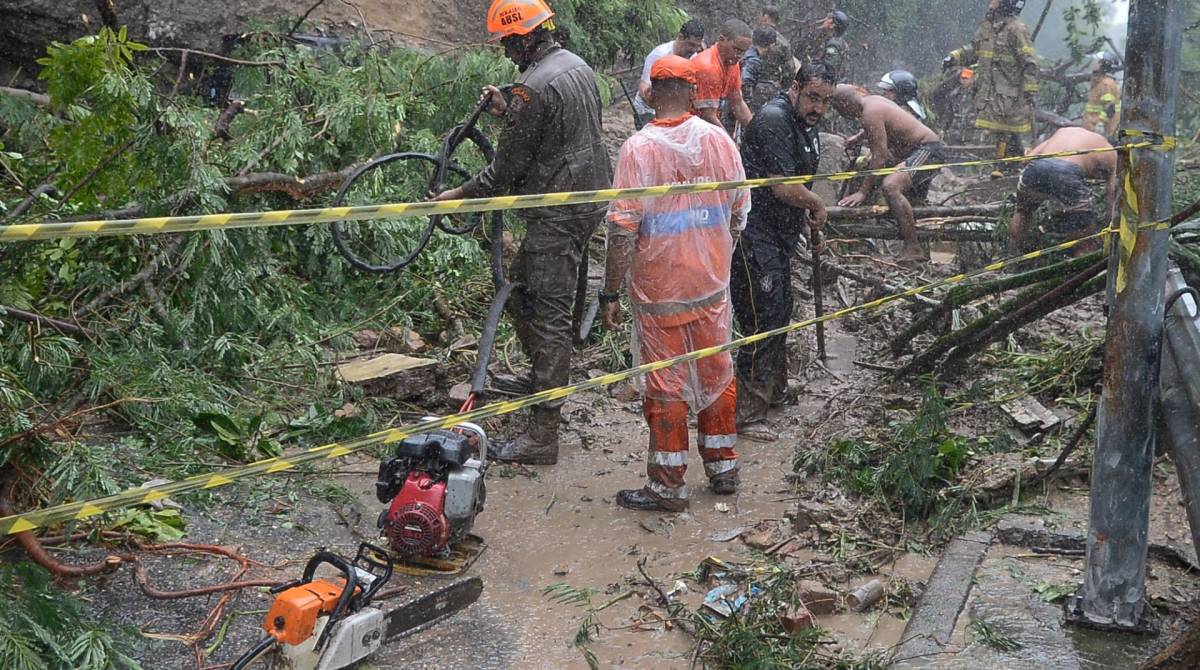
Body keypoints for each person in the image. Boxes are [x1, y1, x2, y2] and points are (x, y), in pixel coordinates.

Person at [432, 0, 612, 464]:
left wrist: (455, 194)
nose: (506, 50)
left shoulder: (532, 87)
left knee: (549, 316)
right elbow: (551, 129)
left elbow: (504, 173)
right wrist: (507, 107)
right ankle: (541, 382)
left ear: (525, 37)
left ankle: (543, 435)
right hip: (585, 198)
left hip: (557, 210)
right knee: (518, 292)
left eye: (509, 42)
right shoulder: (575, 66)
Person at [602, 55, 751, 512]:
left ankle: (668, 486)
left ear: (649, 93)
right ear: (692, 92)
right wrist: (711, 254)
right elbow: (739, 212)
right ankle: (723, 468)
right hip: (710, 286)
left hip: (660, 293)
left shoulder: (638, 150)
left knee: (666, 387)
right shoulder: (719, 140)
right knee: (716, 373)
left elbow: (622, 230)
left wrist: (609, 292)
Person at [731, 63, 835, 428]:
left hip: (779, 235)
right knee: (763, 317)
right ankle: (746, 409)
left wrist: (805, 209)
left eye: (825, 102)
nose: (818, 108)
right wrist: (816, 204)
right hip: (754, 234)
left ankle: (772, 390)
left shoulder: (806, 126)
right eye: (812, 97)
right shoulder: (774, 120)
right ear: (795, 88)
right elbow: (784, 187)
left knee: (781, 309)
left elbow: (799, 183)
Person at [833, 85, 946, 262]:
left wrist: (863, 192)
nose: (842, 114)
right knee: (912, 199)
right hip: (915, 151)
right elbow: (883, 123)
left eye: (838, 109)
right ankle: (859, 240)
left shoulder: (869, 113)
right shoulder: (872, 102)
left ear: (845, 104)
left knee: (891, 186)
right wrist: (858, 138)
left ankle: (913, 246)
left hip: (926, 149)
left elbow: (880, 156)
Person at [943, 0, 1039, 174]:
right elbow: (974, 49)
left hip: (1011, 96)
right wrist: (954, 57)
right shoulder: (988, 28)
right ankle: (1004, 168)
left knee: (1008, 131)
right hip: (989, 94)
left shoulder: (1017, 30)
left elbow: (1029, 63)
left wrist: (1028, 92)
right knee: (1000, 132)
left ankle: (1009, 168)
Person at [1009, 127, 1117, 255]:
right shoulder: (1111, 153)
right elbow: (1112, 193)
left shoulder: (1063, 132)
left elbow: (1026, 160)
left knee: (1023, 211)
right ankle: (1083, 262)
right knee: (1081, 230)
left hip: (1036, 168)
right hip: (1067, 172)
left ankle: (1012, 257)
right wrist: (1109, 227)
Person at [633, 18, 707, 128]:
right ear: (680, 37)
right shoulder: (659, 55)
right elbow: (644, 87)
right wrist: (663, 106)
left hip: (676, 110)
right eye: (691, 45)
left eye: (697, 46)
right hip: (648, 109)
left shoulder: (693, 57)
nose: (693, 50)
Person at [692, 19, 753, 131]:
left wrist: (755, 132)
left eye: (743, 52)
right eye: (736, 49)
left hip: (705, 125)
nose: (739, 55)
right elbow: (707, 116)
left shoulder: (732, 63)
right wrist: (728, 143)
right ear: (721, 40)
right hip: (691, 126)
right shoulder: (708, 67)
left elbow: (737, 102)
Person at [1082, 52, 1122, 140]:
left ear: (1103, 65)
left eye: (1098, 61)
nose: (1094, 63)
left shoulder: (1107, 84)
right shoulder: (1099, 83)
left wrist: (1100, 125)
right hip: (1092, 131)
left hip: (1100, 134)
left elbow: (1110, 108)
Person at [741, 27, 781, 113]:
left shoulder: (748, 52)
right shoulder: (754, 61)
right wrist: (747, 108)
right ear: (770, 45)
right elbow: (745, 82)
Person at [800, 11, 850, 79]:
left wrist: (805, 69)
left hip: (827, 85)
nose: (825, 19)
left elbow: (829, 69)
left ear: (832, 25)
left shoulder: (833, 44)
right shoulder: (833, 40)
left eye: (829, 18)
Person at [757, 6, 795, 86]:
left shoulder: (752, 37)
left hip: (750, 85)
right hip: (771, 88)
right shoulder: (783, 42)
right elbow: (790, 71)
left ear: (765, 17)